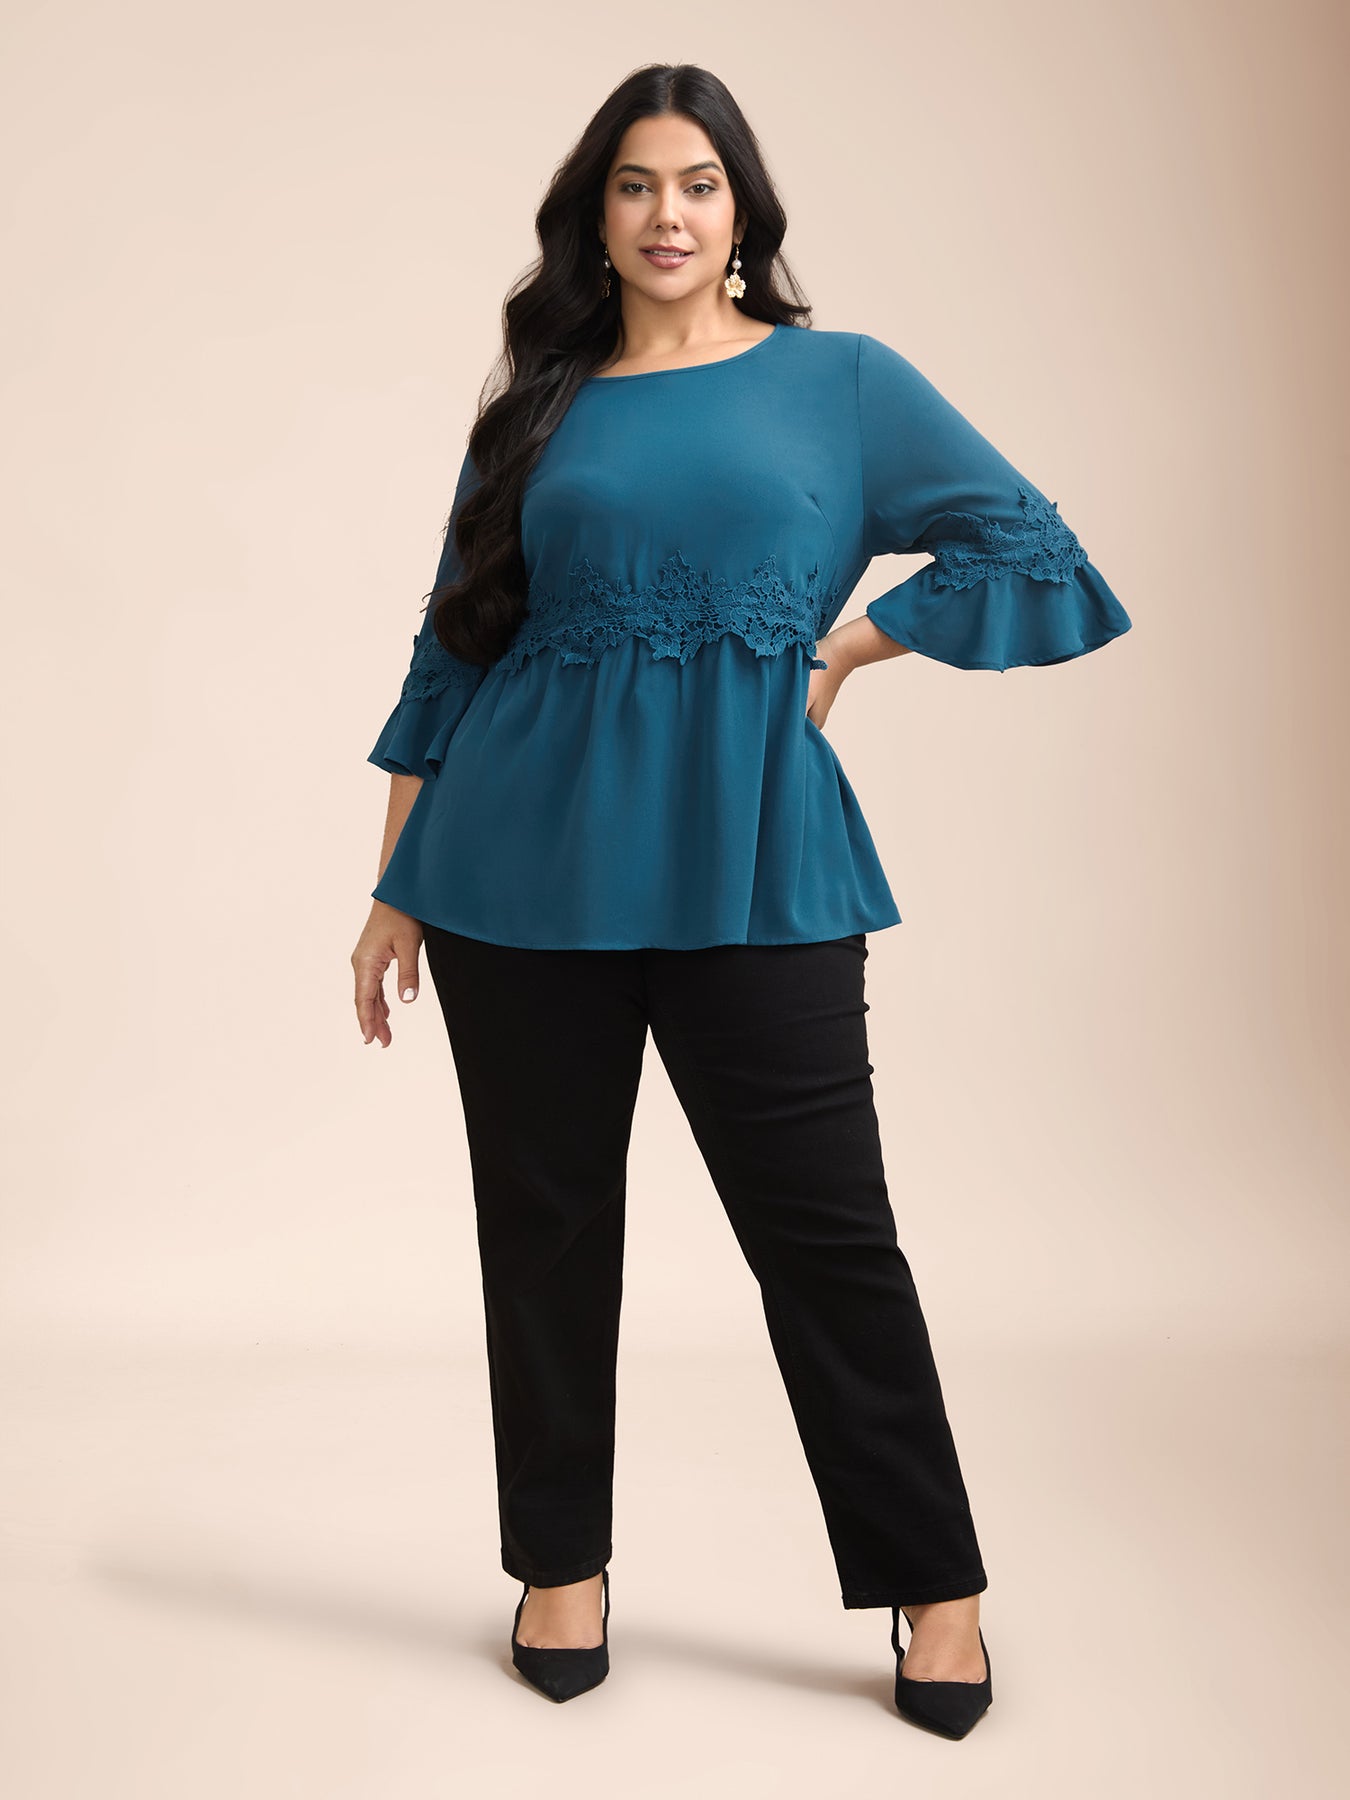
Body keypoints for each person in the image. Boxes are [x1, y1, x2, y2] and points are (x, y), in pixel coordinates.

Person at [350, 64, 1131, 1734]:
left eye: (696, 184)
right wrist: (392, 887)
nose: (667, 215)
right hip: (512, 870)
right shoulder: (536, 410)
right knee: (543, 1234)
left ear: (742, 212)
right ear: (594, 217)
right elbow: (452, 648)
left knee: (827, 1238)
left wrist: (850, 646)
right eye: (634, 185)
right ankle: (558, 1566)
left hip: (754, 858)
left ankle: (934, 1584)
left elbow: (1026, 549)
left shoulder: (840, 382)